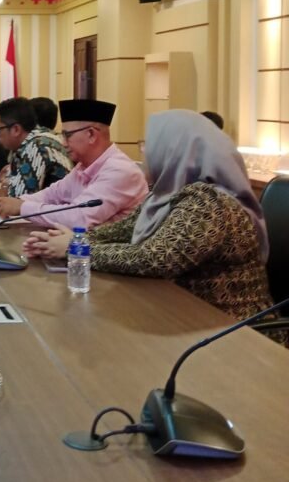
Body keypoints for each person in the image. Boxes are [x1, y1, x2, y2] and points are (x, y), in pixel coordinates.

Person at [23, 109, 274, 325]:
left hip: (228, 327)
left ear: (174, 151)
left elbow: (155, 258)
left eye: (148, 145)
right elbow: (123, 230)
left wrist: (76, 248)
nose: (144, 153)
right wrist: (73, 239)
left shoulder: (209, 201)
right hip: (177, 313)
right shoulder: (166, 194)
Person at [0, 98, 147, 227]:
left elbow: (79, 218)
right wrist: (15, 203)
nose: (63, 143)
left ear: (91, 134)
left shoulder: (120, 171)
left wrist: (23, 207)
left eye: (68, 136)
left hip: (108, 253)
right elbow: (52, 194)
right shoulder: (83, 166)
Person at [0, 96, 72, 196]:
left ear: (16, 129)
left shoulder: (38, 146)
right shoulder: (32, 141)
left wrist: (4, 189)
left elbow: (18, 198)